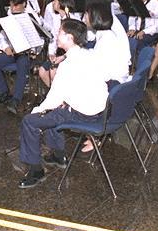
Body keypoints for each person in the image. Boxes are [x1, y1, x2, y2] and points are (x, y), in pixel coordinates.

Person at [17, 19, 109, 189]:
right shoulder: (90, 54)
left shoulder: (67, 65)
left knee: (30, 121)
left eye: (59, 32)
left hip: (84, 114)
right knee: (56, 111)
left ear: (69, 37)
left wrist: (35, 112)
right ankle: (58, 155)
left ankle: (36, 170)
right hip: (100, 110)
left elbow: (54, 97)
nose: (56, 35)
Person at [0, 0, 34, 114]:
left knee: (22, 66)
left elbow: (38, 38)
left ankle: (16, 99)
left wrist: (32, 49)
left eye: (17, 5)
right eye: (11, 4)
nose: (13, 8)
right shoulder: (8, 15)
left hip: (26, 53)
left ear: (24, 4)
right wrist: (5, 47)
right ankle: (4, 92)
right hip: (11, 51)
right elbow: (2, 36)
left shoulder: (32, 16)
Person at [126, 0, 158, 74]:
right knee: (126, 40)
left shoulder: (156, 4)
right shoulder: (135, 3)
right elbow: (132, 18)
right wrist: (131, 28)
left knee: (138, 43)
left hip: (151, 32)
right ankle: (128, 67)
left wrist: (145, 32)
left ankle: (139, 70)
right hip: (137, 30)